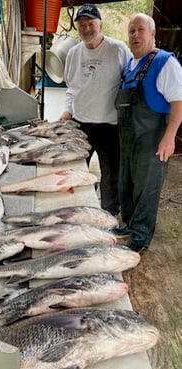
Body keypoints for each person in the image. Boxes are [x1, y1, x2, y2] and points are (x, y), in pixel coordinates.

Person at [113, 13, 182, 253]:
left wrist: (170, 136)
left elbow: (178, 103)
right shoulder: (129, 66)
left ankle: (141, 237)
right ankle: (130, 226)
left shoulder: (165, 62)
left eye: (141, 30)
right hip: (129, 141)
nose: (135, 35)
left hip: (153, 140)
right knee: (127, 185)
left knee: (147, 189)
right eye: (131, 31)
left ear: (153, 34)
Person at [59, 3, 131, 217]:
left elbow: (130, 84)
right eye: (82, 25)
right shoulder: (73, 53)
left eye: (91, 23)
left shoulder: (118, 49)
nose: (87, 29)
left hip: (110, 125)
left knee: (111, 176)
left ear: (101, 24)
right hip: (80, 126)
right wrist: (67, 110)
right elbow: (71, 87)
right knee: (76, 173)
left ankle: (108, 215)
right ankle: (78, 213)